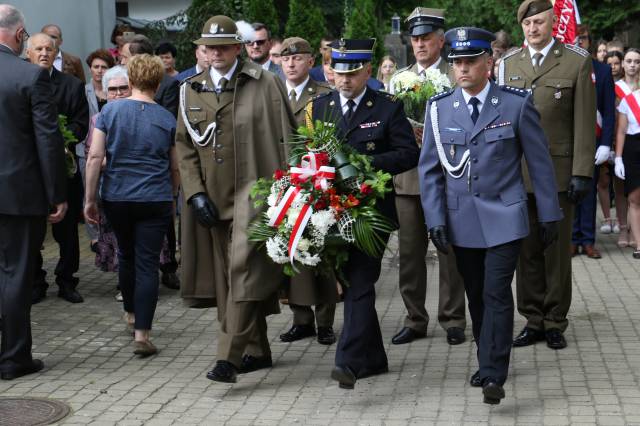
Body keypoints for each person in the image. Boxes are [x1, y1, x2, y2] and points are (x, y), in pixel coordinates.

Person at [419, 26, 561, 405]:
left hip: (504, 214)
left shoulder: (515, 103)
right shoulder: (439, 108)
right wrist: (434, 219)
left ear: (488, 63)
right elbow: (430, 172)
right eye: (457, 63)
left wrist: (549, 212)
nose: (462, 69)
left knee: (497, 292)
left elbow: (540, 162)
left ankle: (495, 372)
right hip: (460, 218)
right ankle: (486, 358)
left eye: (470, 61)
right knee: (476, 296)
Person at [176, 15, 297, 383]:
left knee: (243, 272)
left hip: (256, 195)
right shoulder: (189, 89)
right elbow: (183, 147)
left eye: (224, 46)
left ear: (239, 48)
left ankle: (227, 358)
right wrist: (195, 193)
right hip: (211, 200)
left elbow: (288, 139)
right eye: (210, 47)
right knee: (228, 281)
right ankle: (257, 352)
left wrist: (291, 194)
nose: (216, 53)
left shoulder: (266, 84)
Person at [310, 38, 418, 389]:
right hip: (333, 211)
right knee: (350, 279)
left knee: (361, 279)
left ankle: (349, 360)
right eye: (339, 72)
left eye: (353, 73)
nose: (345, 80)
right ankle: (373, 358)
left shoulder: (387, 107)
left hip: (373, 211)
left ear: (368, 71)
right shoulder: (321, 107)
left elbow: (407, 153)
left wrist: (366, 165)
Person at [499, 0, 596, 350]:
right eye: (527, 24)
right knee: (526, 251)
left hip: (558, 174)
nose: (533, 29)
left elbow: (584, 121)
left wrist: (583, 171)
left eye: (539, 22)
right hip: (518, 175)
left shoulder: (576, 61)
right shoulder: (508, 64)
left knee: (555, 251)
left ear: (552, 22)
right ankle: (533, 319)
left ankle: (555, 320)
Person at [85, 54, 180, 357]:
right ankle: (143, 333)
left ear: (132, 80)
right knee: (147, 264)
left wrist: (89, 198)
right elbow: (175, 167)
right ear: (158, 81)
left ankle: (129, 313)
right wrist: (172, 194)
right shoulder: (167, 118)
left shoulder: (110, 112)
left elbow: (95, 158)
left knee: (126, 255)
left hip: (117, 196)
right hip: (155, 198)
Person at [388, 7, 467, 347]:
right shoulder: (399, 79)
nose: (419, 44)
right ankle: (414, 318)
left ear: (441, 40)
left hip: (449, 174)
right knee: (409, 253)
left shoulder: (456, 74)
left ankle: (453, 319)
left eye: (426, 38)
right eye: (415, 38)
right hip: (408, 177)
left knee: (450, 251)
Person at [0, 4, 67, 380]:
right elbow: (47, 138)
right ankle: (13, 358)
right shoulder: (30, 77)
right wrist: (57, 193)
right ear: (21, 35)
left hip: (15, 192)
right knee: (15, 274)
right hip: (17, 194)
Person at [278, 37, 337, 345]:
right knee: (292, 252)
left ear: (310, 62)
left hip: (317, 185)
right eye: (286, 59)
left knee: (322, 252)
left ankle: (325, 321)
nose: (290, 63)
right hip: (284, 186)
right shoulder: (273, 94)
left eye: (297, 58)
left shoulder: (325, 95)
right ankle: (301, 319)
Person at [28, 33, 89, 305]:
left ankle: (67, 280)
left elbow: (81, 122)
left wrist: (62, 141)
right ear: (28, 53)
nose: (44, 53)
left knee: (66, 231)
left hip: (64, 166)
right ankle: (35, 281)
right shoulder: (21, 81)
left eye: (49, 49)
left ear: (56, 54)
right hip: (29, 169)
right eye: (38, 48)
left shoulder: (72, 86)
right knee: (32, 229)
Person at [122, 34, 181, 289]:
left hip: (157, 165)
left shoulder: (168, 85)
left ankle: (168, 267)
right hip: (131, 177)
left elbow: (168, 120)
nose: (123, 60)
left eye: (125, 56)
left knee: (165, 225)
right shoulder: (125, 87)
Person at [571, 24, 616, 259]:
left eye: (584, 38)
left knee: (588, 193)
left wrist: (606, 144)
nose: (580, 42)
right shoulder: (566, 68)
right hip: (570, 142)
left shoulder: (603, 71)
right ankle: (571, 239)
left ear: (590, 41)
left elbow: (609, 112)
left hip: (595, 142)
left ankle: (587, 240)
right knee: (571, 192)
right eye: (576, 38)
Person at [81, 49, 114, 252]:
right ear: (90, 69)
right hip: (86, 148)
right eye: (96, 67)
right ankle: (94, 237)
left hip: (110, 149)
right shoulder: (83, 91)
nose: (100, 71)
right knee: (89, 192)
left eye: (104, 67)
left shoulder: (116, 89)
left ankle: (110, 235)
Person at [597, 50, 627, 240]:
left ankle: (621, 222)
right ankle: (607, 219)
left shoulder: (628, 88)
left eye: (617, 63)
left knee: (621, 183)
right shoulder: (604, 81)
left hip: (622, 138)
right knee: (603, 181)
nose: (614, 67)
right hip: (605, 136)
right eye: (611, 63)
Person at [614, 48, 640, 258]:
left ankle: (634, 232)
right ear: (623, 64)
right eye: (629, 61)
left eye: (636, 62)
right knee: (622, 188)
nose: (632, 65)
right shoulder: (616, 89)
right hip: (621, 142)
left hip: (631, 140)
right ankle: (624, 227)